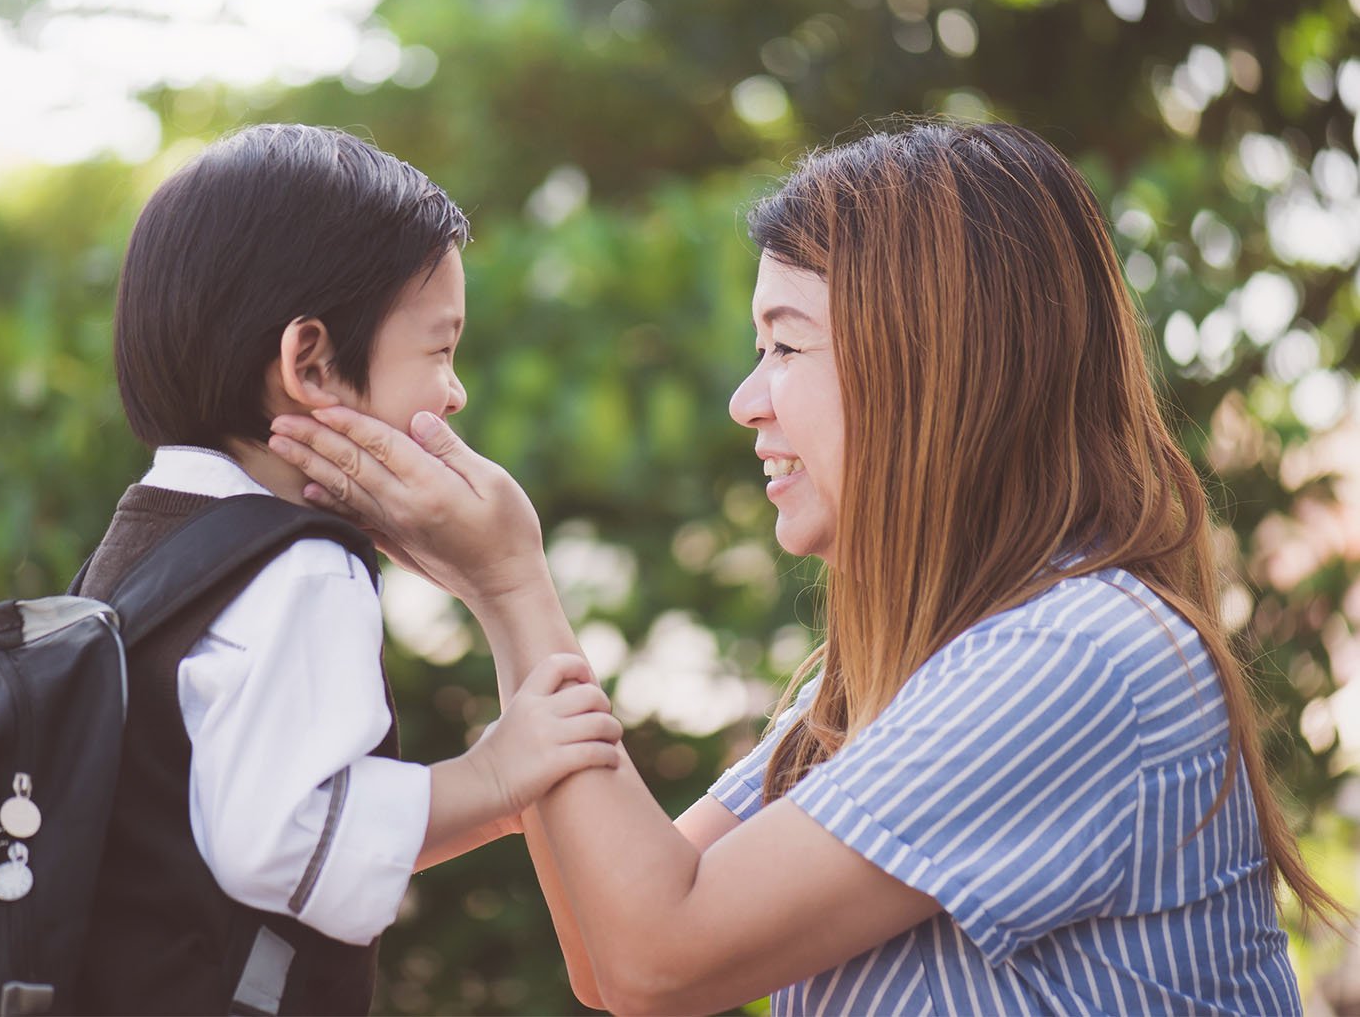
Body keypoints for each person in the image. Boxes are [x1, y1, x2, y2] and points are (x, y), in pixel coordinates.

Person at [268, 121, 1346, 1015]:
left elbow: (660, 955)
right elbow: (609, 951)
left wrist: (512, 587)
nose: (749, 400)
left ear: (931, 366)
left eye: (784, 348)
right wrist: (496, 596)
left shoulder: (1079, 657)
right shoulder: (899, 674)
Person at [73, 123, 620, 1015]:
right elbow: (275, 839)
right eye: (440, 349)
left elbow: (259, 818)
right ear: (312, 362)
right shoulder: (301, 570)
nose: (455, 392)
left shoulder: (149, 535)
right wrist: (488, 776)